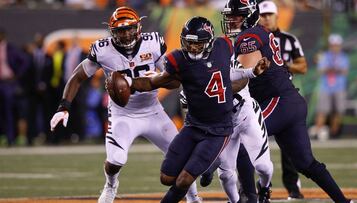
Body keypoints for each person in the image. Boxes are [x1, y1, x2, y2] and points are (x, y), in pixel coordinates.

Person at [49, 7, 202, 203]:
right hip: (123, 113)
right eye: (120, 30)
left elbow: (175, 81)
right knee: (115, 161)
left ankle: (193, 198)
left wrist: (156, 79)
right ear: (112, 32)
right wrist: (63, 106)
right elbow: (77, 77)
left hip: (153, 111)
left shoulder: (153, 43)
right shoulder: (102, 49)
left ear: (138, 27)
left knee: (182, 155)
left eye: (130, 28)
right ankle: (111, 185)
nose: (126, 34)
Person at [126, 16, 270, 203]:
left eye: (198, 44)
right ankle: (209, 162)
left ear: (209, 42)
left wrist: (252, 72)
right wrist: (129, 83)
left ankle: (208, 168)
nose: (193, 48)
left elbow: (232, 72)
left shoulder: (224, 46)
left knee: (185, 179)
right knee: (166, 178)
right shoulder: (178, 59)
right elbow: (155, 81)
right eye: (189, 43)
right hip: (193, 125)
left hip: (219, 128)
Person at [227, 0, 352, 203]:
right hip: (291, 101)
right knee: (305, 163)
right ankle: (343, 201)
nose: (231, 19)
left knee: (241, 143)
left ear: (248, 15)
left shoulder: (248, 37)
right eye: (230, 15)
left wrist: (214, 89)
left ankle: (250, 197)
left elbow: (243, 79)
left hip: (277, 102)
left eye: (235, 15)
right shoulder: (261, 31)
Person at [258, 0, 308, 199]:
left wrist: (282, 65)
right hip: (260, 96)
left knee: (289, 147)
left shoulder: (289, 40)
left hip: (283, 96)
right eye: (262, 15)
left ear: (276, 15)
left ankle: (293, 188)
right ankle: (257, 186)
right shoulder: (255, 40)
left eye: (269, 14)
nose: (266, 18)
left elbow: (302, 67)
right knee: (255, 142)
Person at [313, 34, 349, 139]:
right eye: (333, 45)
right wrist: (335, 69)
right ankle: (318, 132)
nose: (335, 47)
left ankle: (334, 134)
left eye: (337, 45)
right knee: (322, 110)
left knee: (338, 111)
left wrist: (330, 69)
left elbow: (344, 71)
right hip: (326, 87)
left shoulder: (344, 57)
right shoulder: (324, 55)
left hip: (339, 87)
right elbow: (321, 70)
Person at [0, 27, 29, 146]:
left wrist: (16, 75)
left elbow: (25, 61)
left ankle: (11, 138)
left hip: (8, 83)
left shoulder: (10, 48)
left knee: (8, 111)